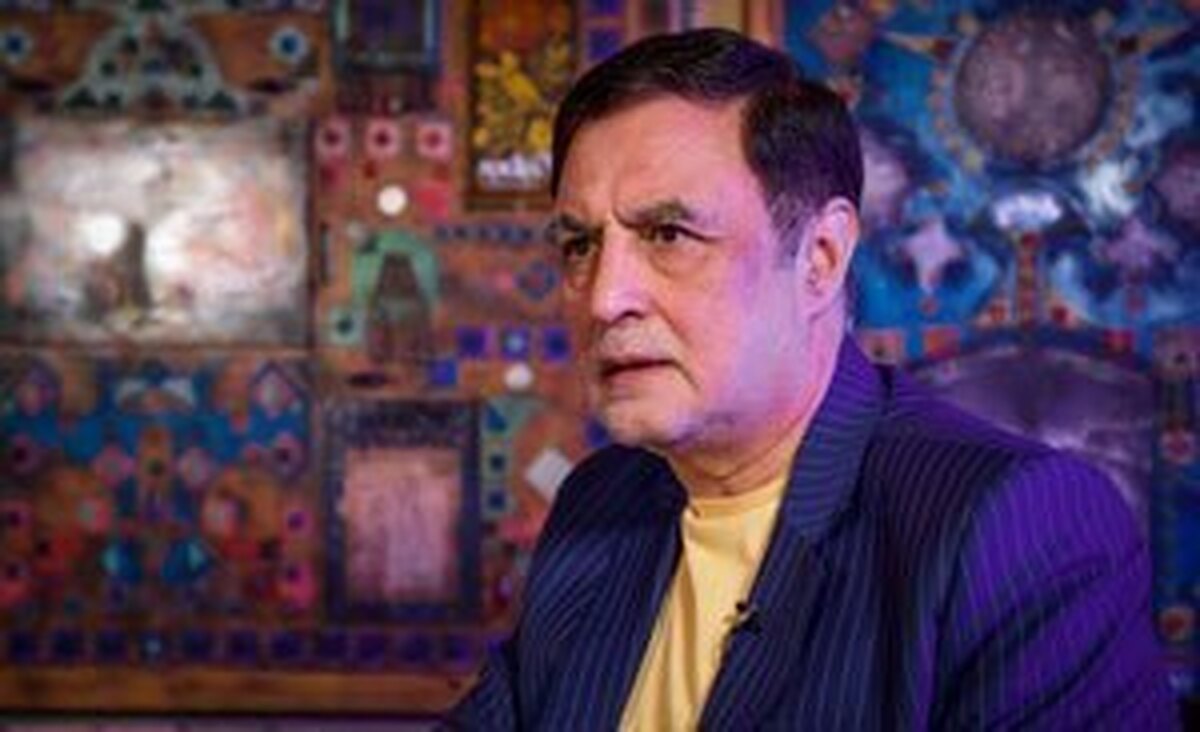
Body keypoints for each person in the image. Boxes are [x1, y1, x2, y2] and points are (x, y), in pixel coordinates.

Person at [446, 28, 1175, 730]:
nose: (605, 298)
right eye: (580, 245)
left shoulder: (1017, 527)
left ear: (820, 257)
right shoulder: (598, 500)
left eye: (668, 235)